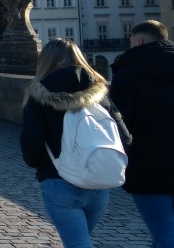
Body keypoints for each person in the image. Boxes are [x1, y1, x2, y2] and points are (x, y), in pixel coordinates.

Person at [20, 38, 130, 248]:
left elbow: (32, 142)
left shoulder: (38, 94)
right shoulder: (100, 93)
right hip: (97, 179)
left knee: (77, 243)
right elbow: (124, 137)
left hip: (58, 179)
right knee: (80, 241)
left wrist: (36, 163)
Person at [110, 20, 174, 246]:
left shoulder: (130, 70)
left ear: (138, 41)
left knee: (165, 231)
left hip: (149, 164)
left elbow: (118, 121)